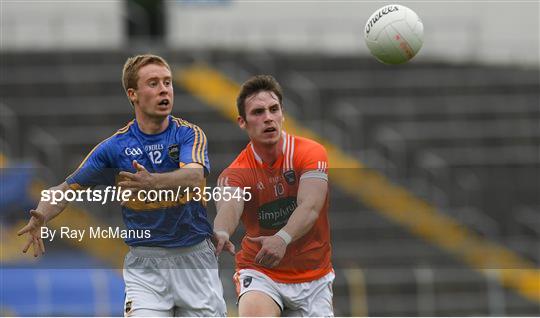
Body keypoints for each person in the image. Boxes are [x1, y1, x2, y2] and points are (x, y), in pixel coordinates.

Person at [17, 54, 227, 317]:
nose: (164, 89)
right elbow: (64, 189)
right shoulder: (114, 149)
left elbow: (195, 176)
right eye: (153, 83)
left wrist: (153, 181)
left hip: (194, 260)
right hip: (146, 265)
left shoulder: (188, 134)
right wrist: (42, 215)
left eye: (167, 82)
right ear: (133, 94)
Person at [213, 75, 334, 316]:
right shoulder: (236, 172)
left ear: (282, 114)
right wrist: (222, 232)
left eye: (273, 109)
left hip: (314, 277)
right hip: (261, 272)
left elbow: (310, 206)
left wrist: (281, 238)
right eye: (258, 112)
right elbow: (230, 206)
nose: (268, 117)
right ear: (242, 122)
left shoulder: (310, 152)